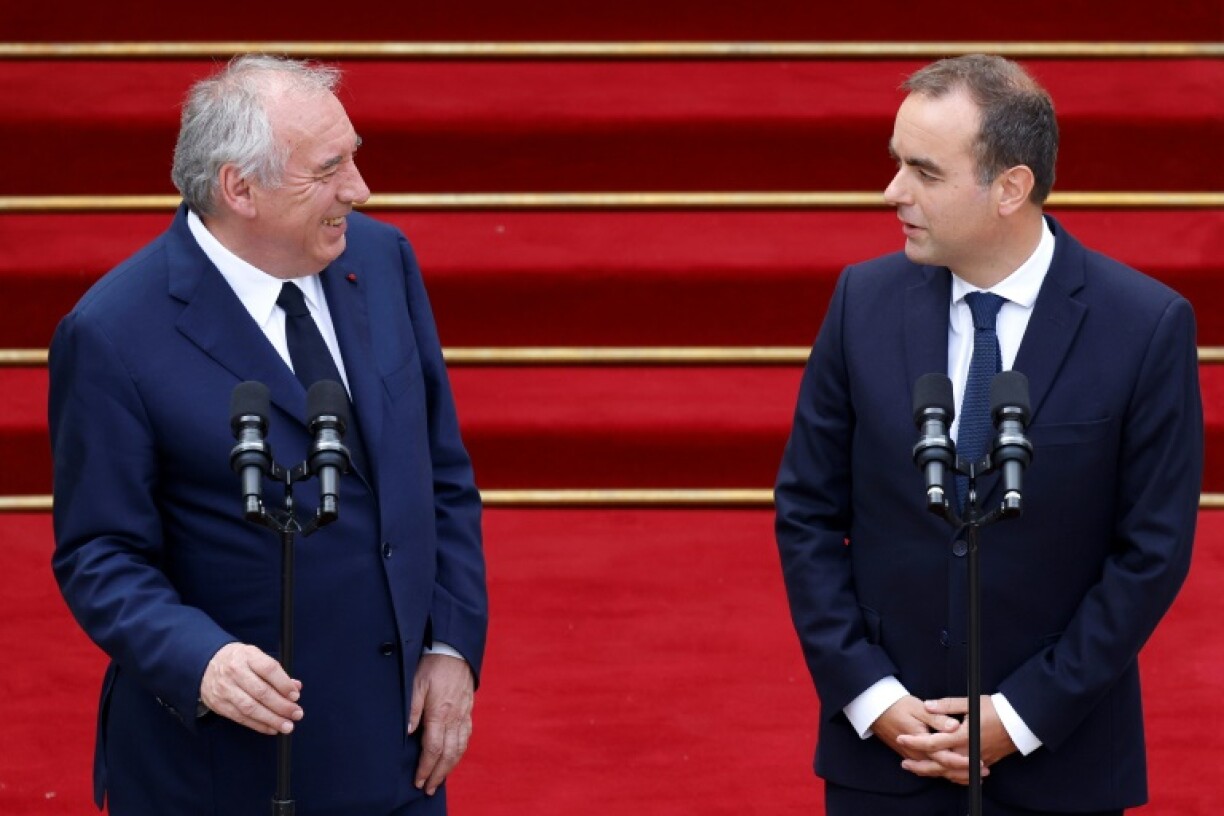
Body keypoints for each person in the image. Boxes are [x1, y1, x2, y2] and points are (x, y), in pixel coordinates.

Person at [48, 54, 487, 815]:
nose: (359, 189)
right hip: (226, 770)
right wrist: (202, 659)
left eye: (354, 156)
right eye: (328, 169)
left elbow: (439, 471)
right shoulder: (113, 333)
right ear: (238, 189)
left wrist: (450, 645)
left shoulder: (381, 261)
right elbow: (99, 553)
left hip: (397, 762)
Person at [774, 54, 1202, 815]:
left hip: (1059, 763)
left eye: (925, 172)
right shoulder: (859, 303)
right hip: (885, 761)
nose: (893, 192)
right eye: (895, 163)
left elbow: (1151, 551)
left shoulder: (1145, 326)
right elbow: (807, 512)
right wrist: (871, 696)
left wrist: (1023, 715)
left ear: (1011, 187)